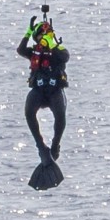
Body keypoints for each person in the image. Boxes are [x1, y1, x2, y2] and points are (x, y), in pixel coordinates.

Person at [17, 17, 69, 169]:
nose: (44, 38)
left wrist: (51, 44)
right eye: (42, 36)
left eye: (48, 35)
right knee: (29, 110)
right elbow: (20, 50)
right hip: (39, 90)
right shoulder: (34, 52)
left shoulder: (59, 50)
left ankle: (55, 145)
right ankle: (40, 145)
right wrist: (28, 33)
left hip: (55, 91)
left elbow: (65, 57)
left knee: (60, 113)